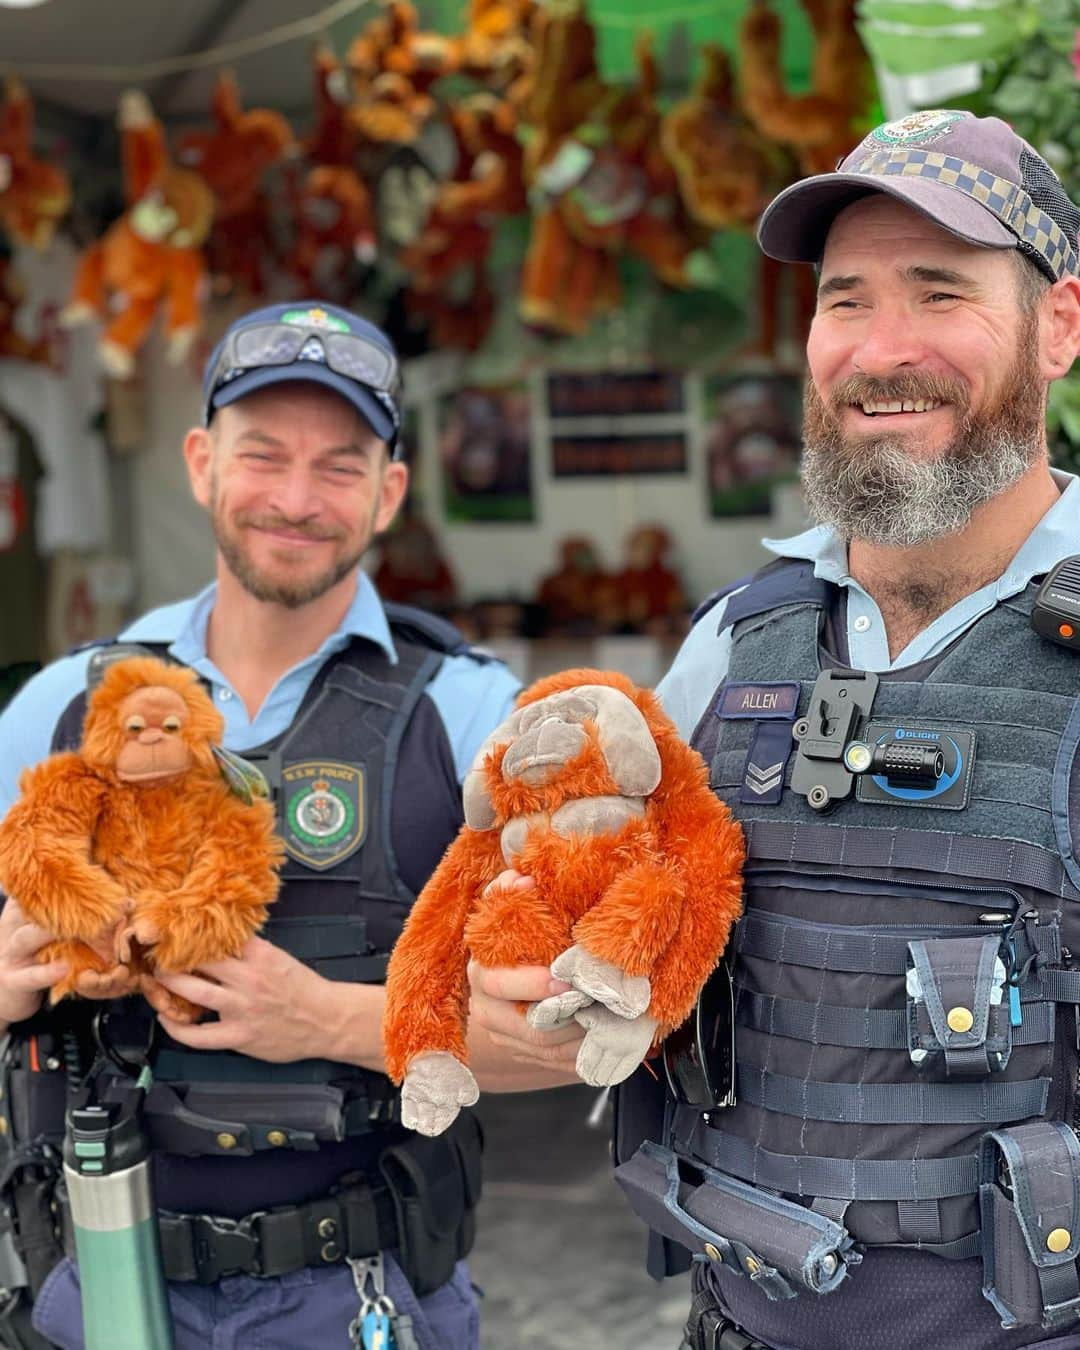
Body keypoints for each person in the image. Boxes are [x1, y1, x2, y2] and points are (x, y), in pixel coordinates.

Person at [470, 110, 1080, 1350]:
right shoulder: (732, 644)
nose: (881, 349)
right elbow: (587, 963)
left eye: (940, 292)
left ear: (1059, 327)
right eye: (845, 300)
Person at [0, 300, 580, 1350]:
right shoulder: (59, 710)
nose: (296, 500)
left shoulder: (473, 719)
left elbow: (578, 1035)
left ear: (390, 490)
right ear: (198, 462)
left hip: (362, 1291)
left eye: (340, 465)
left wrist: (329, 1021)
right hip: (104, 1287)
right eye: (262, 455)